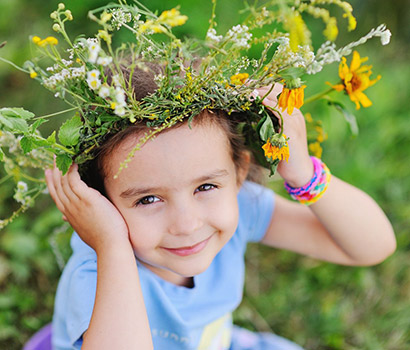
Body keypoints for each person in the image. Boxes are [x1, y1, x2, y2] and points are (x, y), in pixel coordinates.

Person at [44, 81, 396, 350]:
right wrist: (112, 247)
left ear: (239, 174)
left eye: (205, 187)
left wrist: (303, 175)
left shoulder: (239, 207)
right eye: (148, 199)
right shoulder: (95, 273)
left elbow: (372, 246)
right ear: (99, 204)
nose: (187, 224)